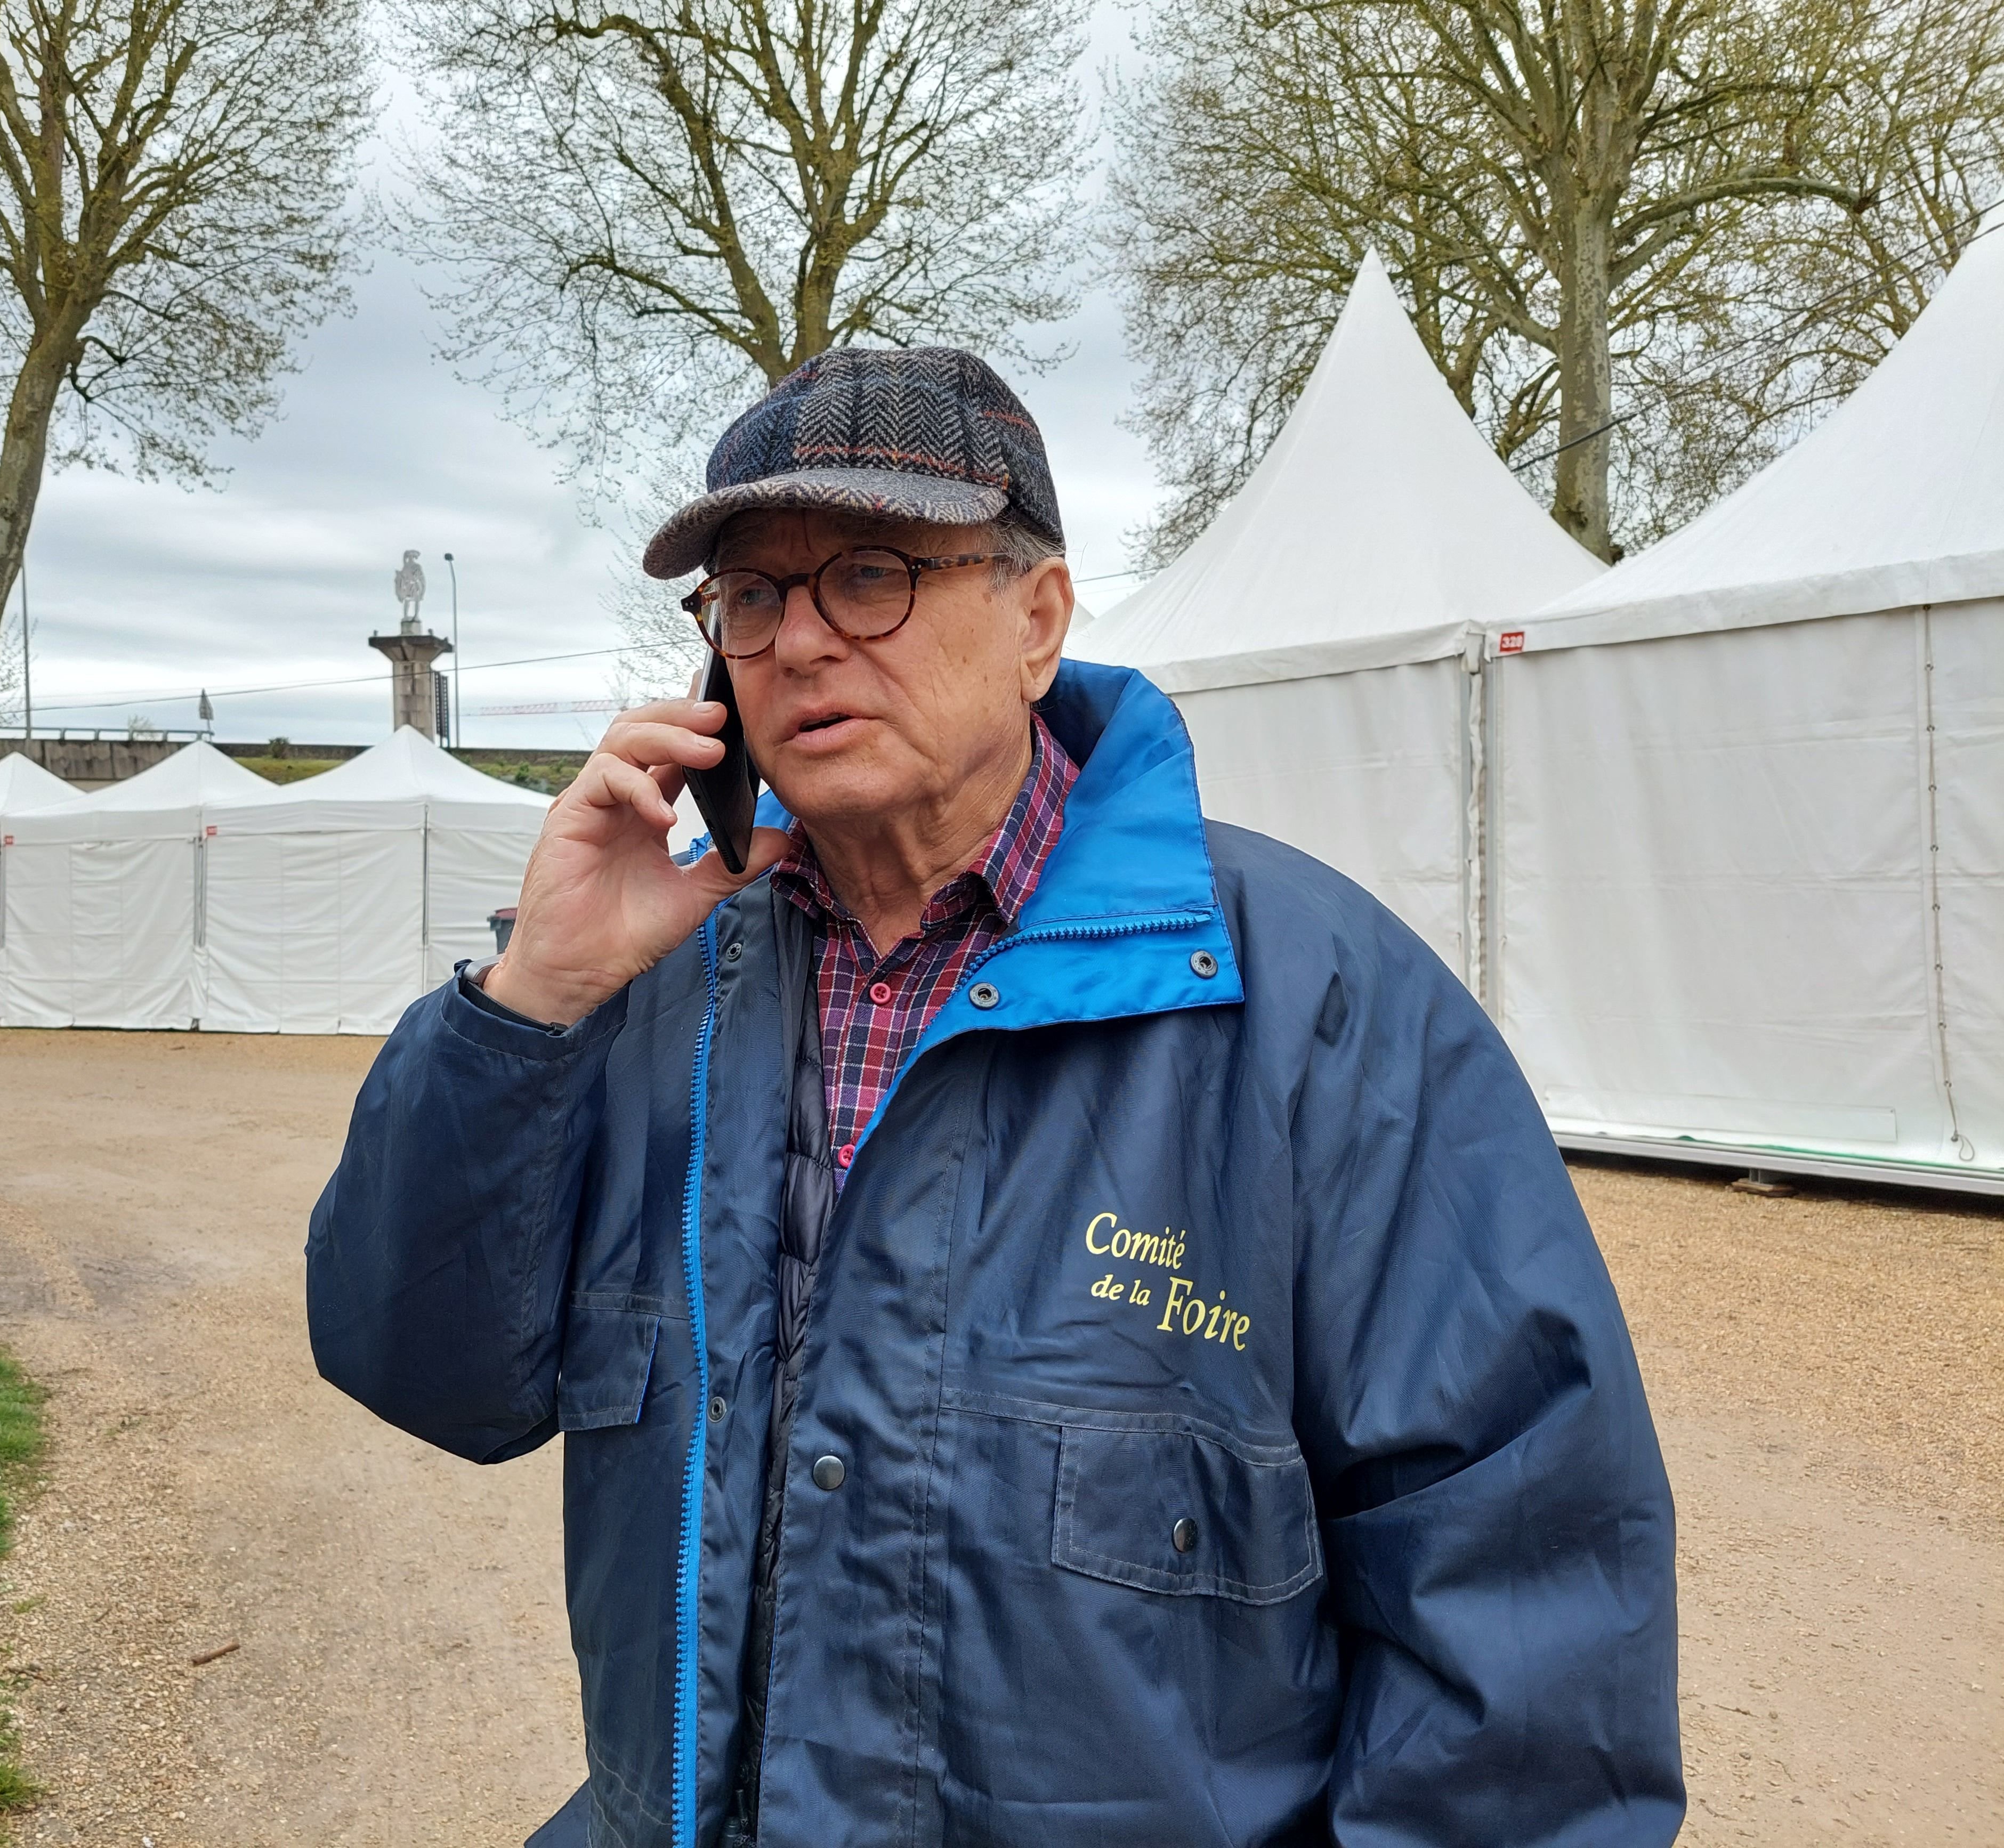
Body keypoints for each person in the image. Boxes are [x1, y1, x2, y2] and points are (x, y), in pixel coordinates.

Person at [308, 347, 1682, 1847]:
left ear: (1039, 618)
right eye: (753, 599)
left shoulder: (1316, 1005)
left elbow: (1526, 1627)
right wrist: (532, 1005)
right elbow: (424, 1368)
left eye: (873, 573)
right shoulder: (638, 989)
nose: (801, 641)